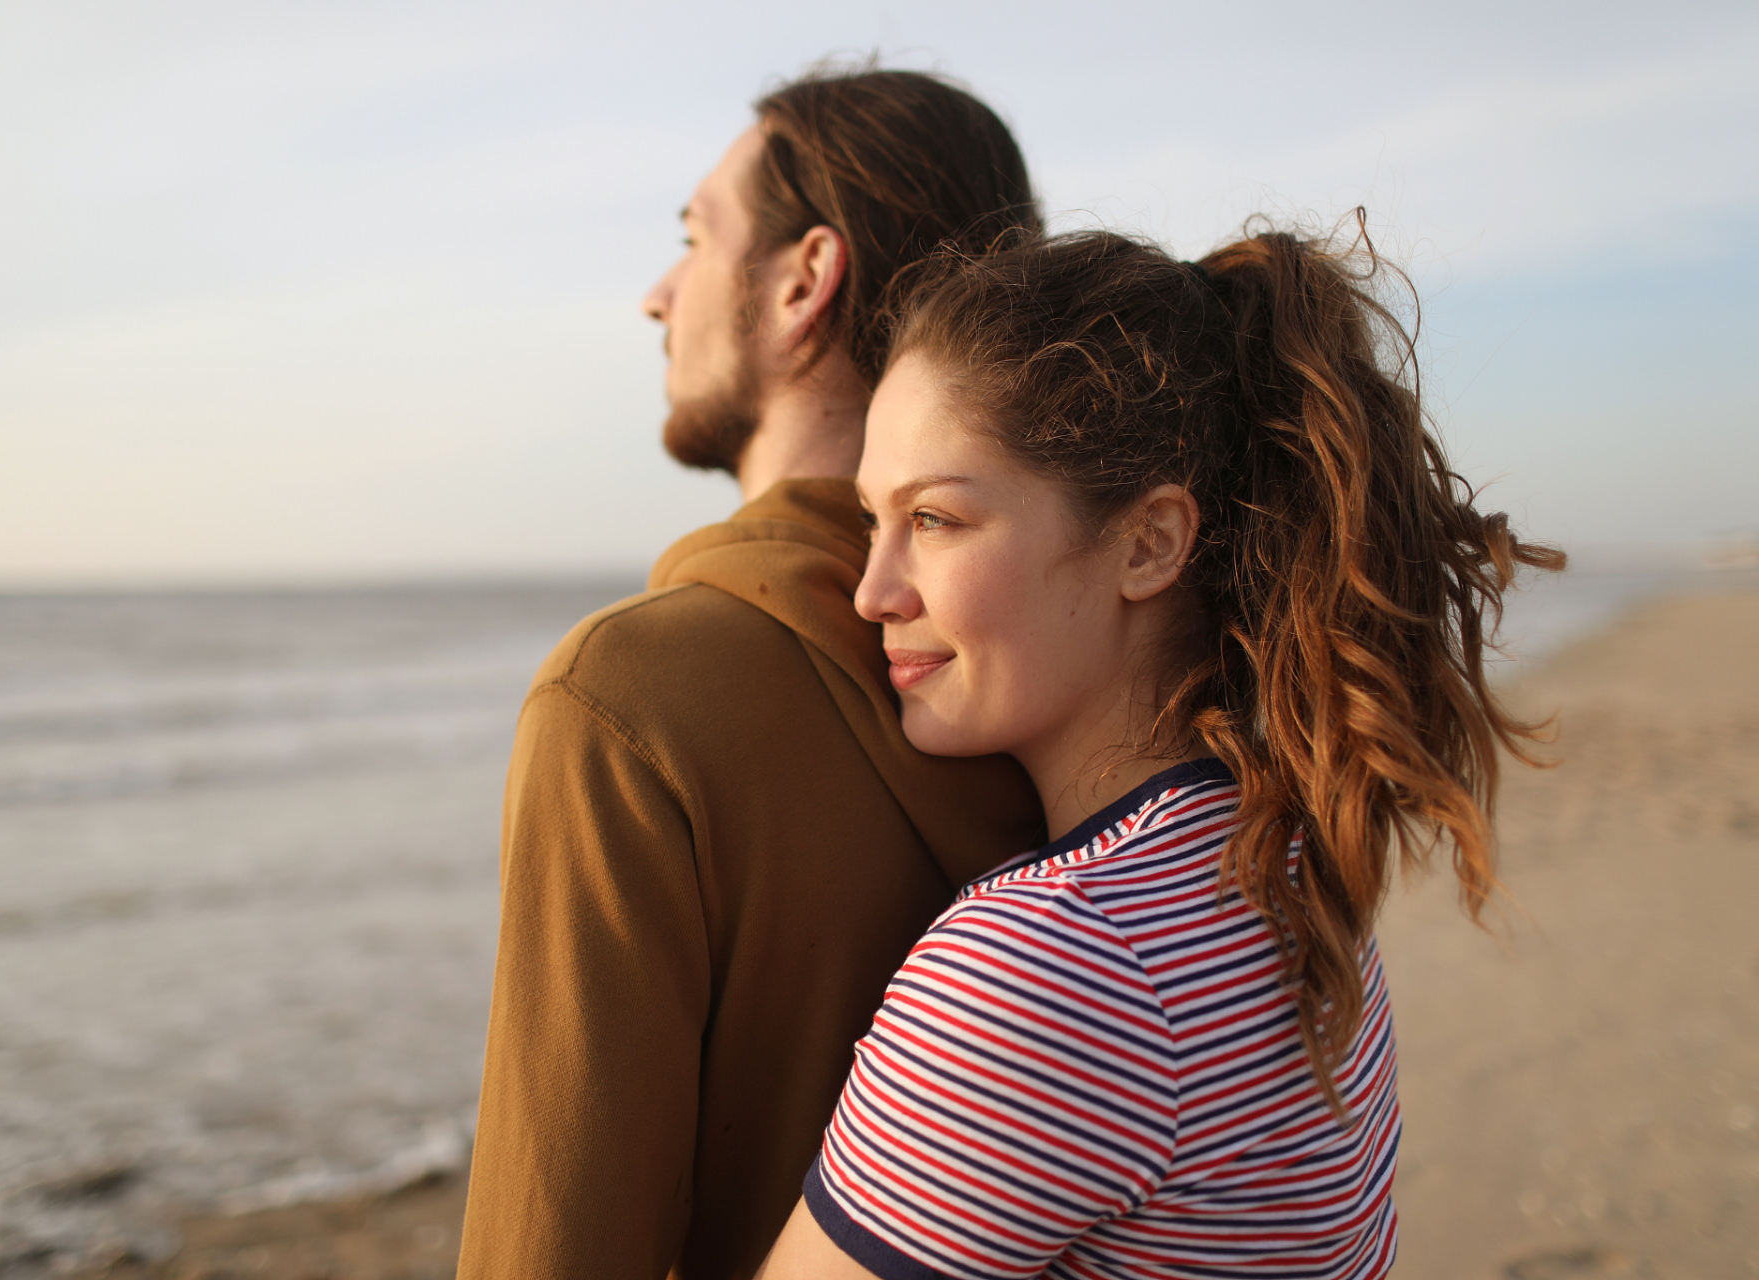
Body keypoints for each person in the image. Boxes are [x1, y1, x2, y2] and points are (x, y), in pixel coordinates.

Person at [757, 223, 1563, 1277]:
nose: (873, 591)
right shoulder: (1290, 863)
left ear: (1150, 542)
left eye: (938, 519)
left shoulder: (1051, 963)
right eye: (873, 520)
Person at [456, 68, 1047, 1279]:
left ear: (803, 282)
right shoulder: (1102, 655)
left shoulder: (630, 697)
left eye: (692, 239)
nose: (657, 295)